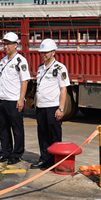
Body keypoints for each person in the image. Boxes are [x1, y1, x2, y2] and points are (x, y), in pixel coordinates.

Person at [0, 32, 31, 165]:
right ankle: (5, 152)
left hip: (14, 100)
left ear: (15, 45)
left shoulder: (20, 61)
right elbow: (1, 80)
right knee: (3, 128)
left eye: (8, 44)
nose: (5, 46)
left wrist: (21, 99)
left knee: (17, 129)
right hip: (3, 99)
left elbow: (25, 81)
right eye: (4, 44)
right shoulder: (3, 61)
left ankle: (16, 154)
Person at [31, 38, 69, 170]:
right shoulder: (41, 68)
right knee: (42, 135)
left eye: (46, 52)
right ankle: (44, 159)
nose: (43, 55)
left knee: (54, 136)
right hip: (41, 107)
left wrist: (61, 108)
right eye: (42, 52)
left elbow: (63, 89)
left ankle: (55, 162)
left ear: (53, 52)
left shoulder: (60, 68)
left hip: (53, 107)